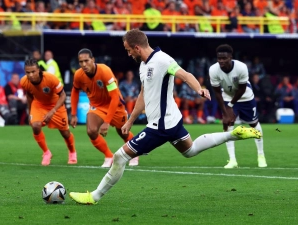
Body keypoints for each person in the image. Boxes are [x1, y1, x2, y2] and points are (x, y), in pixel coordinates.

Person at [69, 29, 261, 205]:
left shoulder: (162, 60)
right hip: (171, 121)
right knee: (190, 150)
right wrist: (129, 121)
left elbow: (185, 75)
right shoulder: (143, 66)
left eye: (129, 50)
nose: (128, 54)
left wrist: (199, 89)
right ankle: (234, 134)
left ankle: (93, 197)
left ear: (137, 47)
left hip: (161, 125)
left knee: (119, 156)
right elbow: (142, 95)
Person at [70, 48, 139, 167]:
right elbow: (75, 91)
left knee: (123, 132)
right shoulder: (78, 75)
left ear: (93, 60)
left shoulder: (105, 71)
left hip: (115, 105)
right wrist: (73, 114)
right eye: (81, 62)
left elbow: (114, 97)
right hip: (97, 106)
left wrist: (106, 122)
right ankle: (109, 156)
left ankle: (135, 153)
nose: (84, 64)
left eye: (86, 61)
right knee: (91, 131)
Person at [209, 44, 267, 168]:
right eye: (219, 58)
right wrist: (225, 112)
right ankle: (232, 160)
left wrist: (230, 106)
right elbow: (217, 93)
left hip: (245, 96)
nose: (221, 61)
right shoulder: (213, 70)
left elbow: (241, 89)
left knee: (253, 124)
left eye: (224, 58)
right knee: (227, 124)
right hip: (227, 96)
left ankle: (261, 155)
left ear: (231, 57)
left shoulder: (241, 67)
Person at [21, 59, 77, 166]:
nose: (31, 75)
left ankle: (72, 152)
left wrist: (53, 111)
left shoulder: (51, 78)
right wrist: (29, 113)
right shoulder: (24, 81)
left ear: (39, 70)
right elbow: (29, 95)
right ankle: (46, 152)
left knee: (65, 133)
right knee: (35, 126)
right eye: (28, 72)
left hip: (56, 105)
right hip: (38, 104)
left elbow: (63, 96)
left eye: (33, 72)